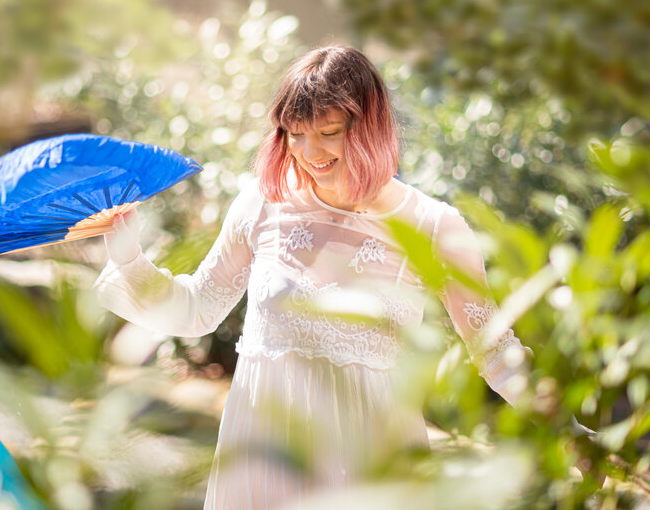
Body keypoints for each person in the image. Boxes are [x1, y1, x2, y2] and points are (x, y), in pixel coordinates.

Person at [94, 45, 531, 509]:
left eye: (328, 132)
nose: (309, 152)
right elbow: (196, 309)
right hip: (262, 461)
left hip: (370, 466)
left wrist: (572, 434)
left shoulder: (434, 226)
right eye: (294, 134)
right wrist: (130, 260)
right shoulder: (261, 203)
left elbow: (494, 350)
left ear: (371, 129)